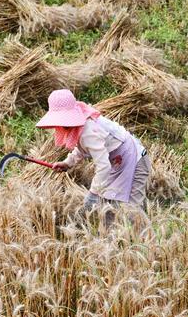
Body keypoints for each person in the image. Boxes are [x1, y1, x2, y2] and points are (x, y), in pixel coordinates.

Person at [36, 89, 150, 229]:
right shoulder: (79, 124)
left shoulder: (88, 131)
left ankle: (146, 243)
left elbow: (103, 166)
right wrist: (68, 163)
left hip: (135, 161)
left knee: (132, 208)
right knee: (107, 202)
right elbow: (83, 147)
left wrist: (92, 194)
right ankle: (111, 242)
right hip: (117, 162)